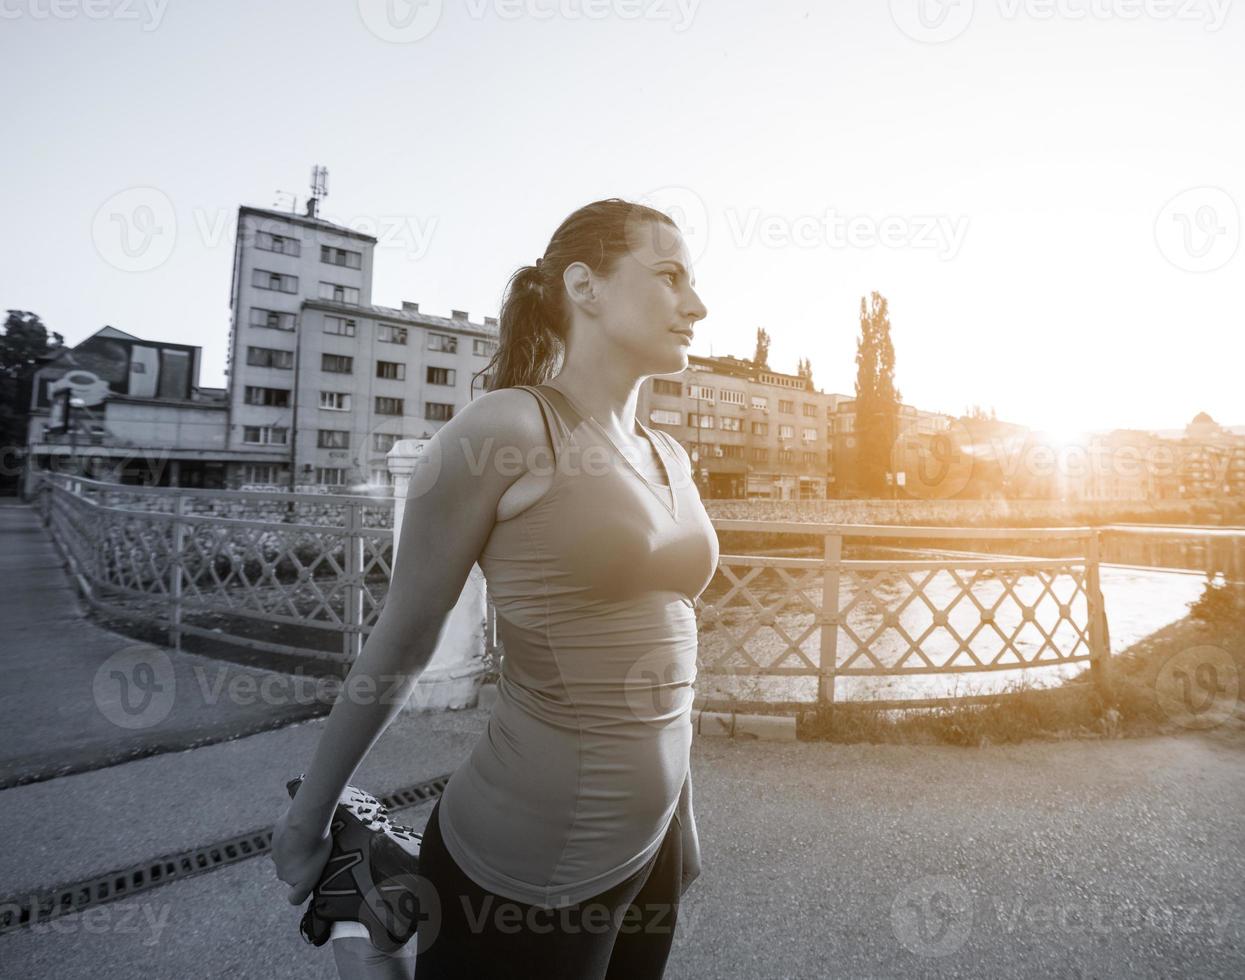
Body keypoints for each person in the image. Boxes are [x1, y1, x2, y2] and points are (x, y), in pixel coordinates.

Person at [271, 198, 716, 979]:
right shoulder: (503, 431)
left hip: (651, 847)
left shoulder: (668, 452)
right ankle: (362, 905)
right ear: (586, 286)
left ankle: (379, 889)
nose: (697, 305)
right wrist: (306, 820)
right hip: (531, 856)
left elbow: (661, 640)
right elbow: (404, 639)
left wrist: (680, 815)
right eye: (670, 276)